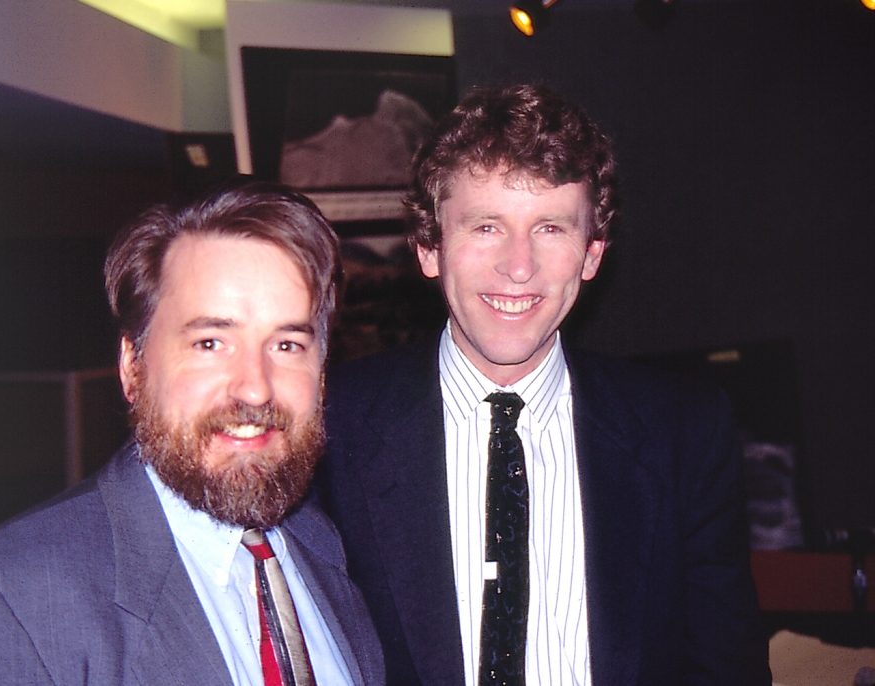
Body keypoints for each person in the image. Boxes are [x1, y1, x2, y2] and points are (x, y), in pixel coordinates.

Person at [318, 84, 771, 685]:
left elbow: (727, 670)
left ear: (592, 254)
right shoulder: (333, 427)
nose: (519, 265)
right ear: (429, 247)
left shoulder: (683, 430)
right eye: (486, 227)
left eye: (551, 229)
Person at [0, 180, 385, 685]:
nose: (255, 389)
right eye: (210, 342)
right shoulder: (1, 600)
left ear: (323, 371)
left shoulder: (324, 545)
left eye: (286, 345)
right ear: (133, 366)